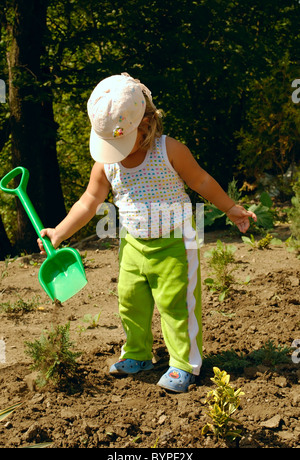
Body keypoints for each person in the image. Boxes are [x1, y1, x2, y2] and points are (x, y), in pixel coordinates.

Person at [38, 73, 256, 393]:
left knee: (176, 304)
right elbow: (88, 201)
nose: (117, 150)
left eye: (123, 141)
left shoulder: (169, 150)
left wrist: (231, 208)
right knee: (130, 301)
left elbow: (202, 182)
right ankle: (138, 354)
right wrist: (59, 232)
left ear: (148, 123)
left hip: (175, 243)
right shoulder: (106, 163)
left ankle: (184, 363)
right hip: (132, 244)